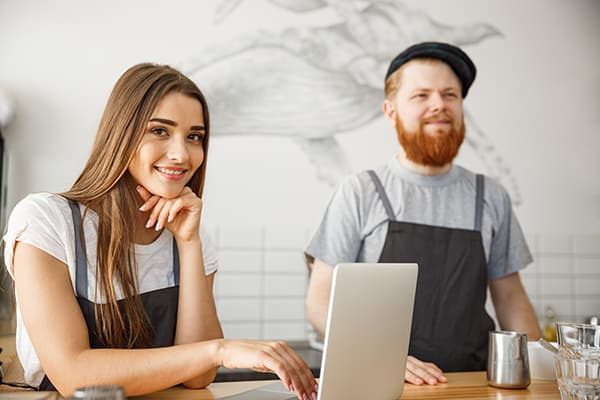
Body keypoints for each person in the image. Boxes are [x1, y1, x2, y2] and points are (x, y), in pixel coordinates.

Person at [2, 63, 317, 399]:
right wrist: (219, 349)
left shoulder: (190, 237)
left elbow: (199, 379)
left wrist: (189, 243)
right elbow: (74, 375)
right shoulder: (45, 222)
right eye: (159, 131)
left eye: (194, 137)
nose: (182, 154)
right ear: (121, 134)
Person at [304, 42, 542, 385]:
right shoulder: (361, 192)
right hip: (380, 383)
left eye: (450, 95)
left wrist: (538, 377)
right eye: (421, 95)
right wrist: (382, 356)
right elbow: (320, 301)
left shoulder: (490, 196)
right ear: (391, 111)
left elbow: (512, 300)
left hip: (471, 384)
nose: (439, 106)